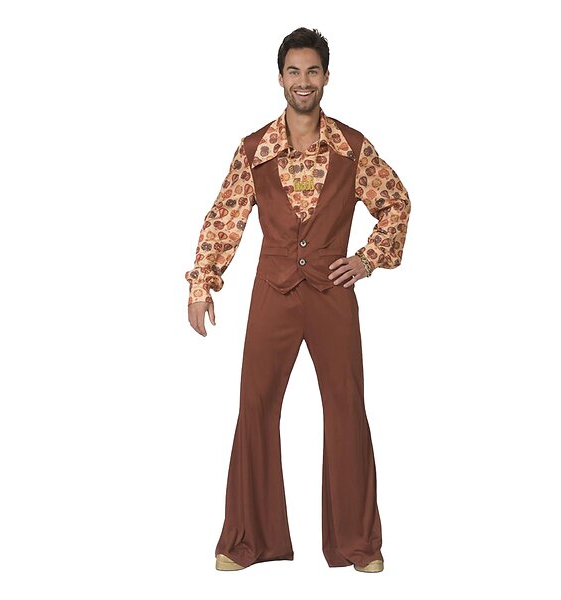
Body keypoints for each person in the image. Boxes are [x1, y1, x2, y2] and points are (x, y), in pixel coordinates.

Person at [185, 27, 411, 572]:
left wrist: (368, 259)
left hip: (333, 295)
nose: (303, 81)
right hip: (274, 291)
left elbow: (397, 203)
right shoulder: (254, 150)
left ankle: (359, 544)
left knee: (346, 409)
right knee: (256, 407)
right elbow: (225, 218)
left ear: (326, 77)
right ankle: (248, 541)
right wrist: (201, 282)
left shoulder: (352, 147)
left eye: (312, 71)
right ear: (280, 78)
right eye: (294, 71)